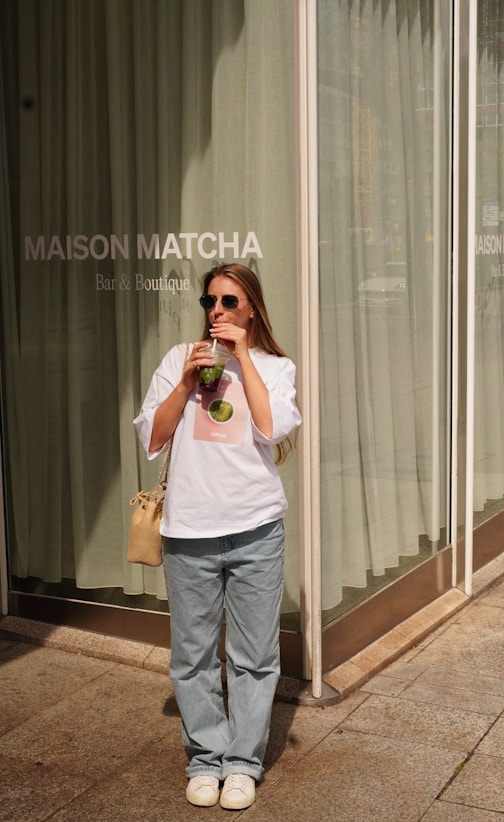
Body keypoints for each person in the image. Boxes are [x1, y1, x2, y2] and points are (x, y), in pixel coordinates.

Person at [134, 263, 301, 810]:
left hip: (255, 528)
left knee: (254, 657)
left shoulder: (276, 367)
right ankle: (206, 758)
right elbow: (152, 440)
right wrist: (186, 380)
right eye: (210, 302)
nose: (218, 312)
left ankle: (243, 763)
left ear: (250, 306)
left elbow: (273, 427)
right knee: (193, 657)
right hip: (191, 530)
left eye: (230, 302)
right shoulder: (178, 360)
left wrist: (243, 357)